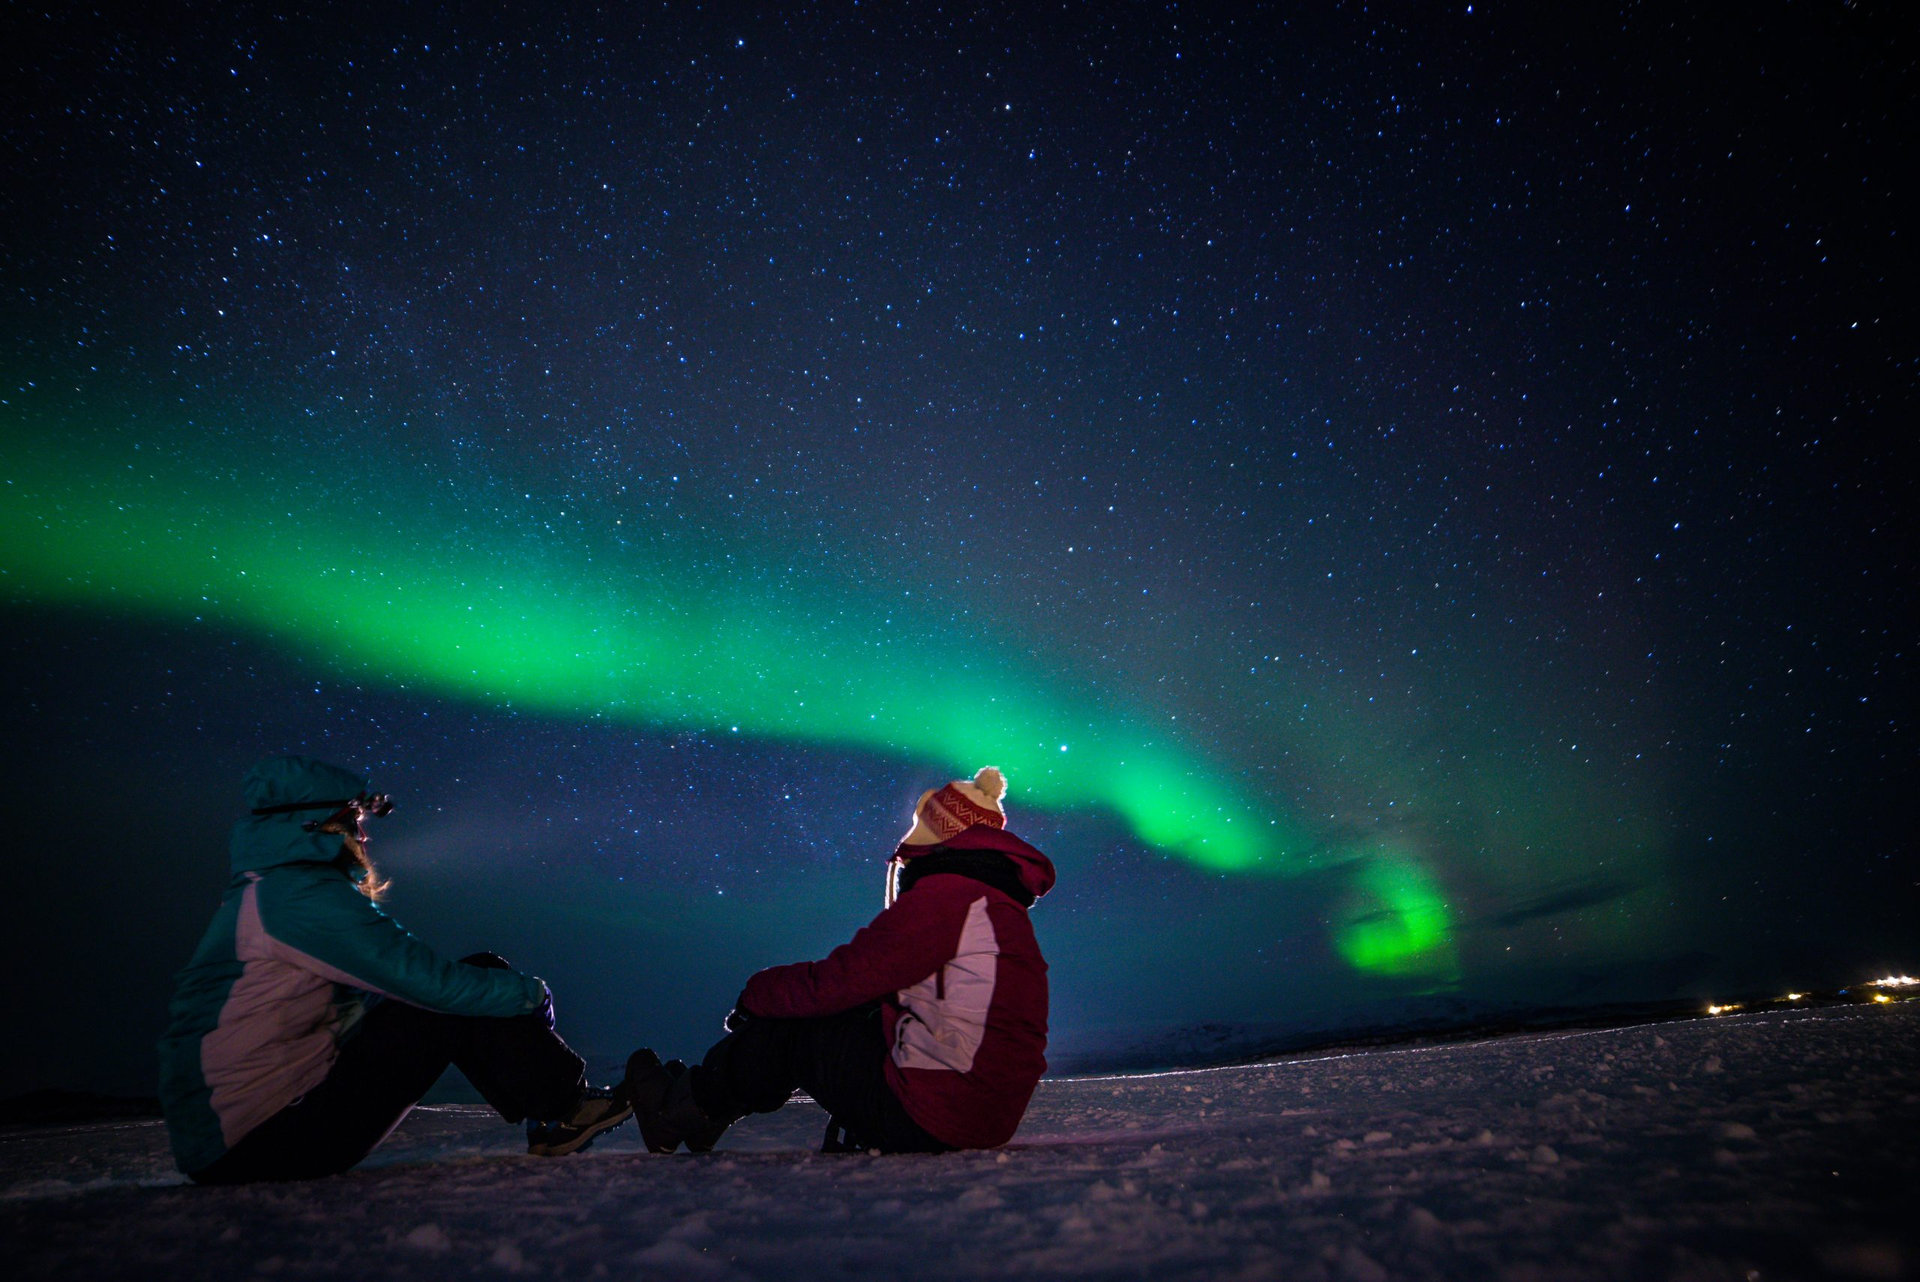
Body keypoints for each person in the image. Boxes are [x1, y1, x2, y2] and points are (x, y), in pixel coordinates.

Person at [158, 755, 629, 1182]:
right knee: (459, 992)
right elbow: (431, 986)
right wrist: (532, 995)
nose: (363, 836)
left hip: (241, 1136)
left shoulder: (273, 891)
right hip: (259, 1141)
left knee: (466, 985)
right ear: (315, 825)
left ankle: (554, 1115)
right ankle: (566, 1110)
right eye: (352, 821)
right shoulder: (298, 899)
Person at [627, 766, 1055, 1156]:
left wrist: (757, 994)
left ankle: (678, 1113)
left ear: (941, 833)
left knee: (798, 1029)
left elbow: (844, 980)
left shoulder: (950, 898)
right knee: (847, 1013)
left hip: (937, 1114)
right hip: (974, 1110)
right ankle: (704, 1111)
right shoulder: (990, 903)